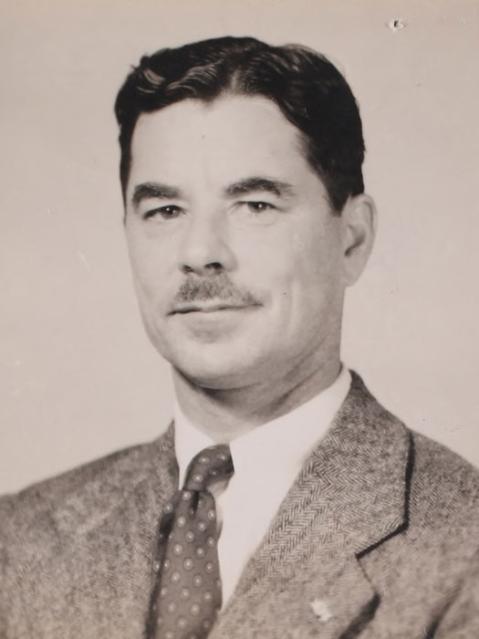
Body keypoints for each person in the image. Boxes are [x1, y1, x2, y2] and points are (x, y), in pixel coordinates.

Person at [1, 35, 478, 639]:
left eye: (254, 205)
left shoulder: (463, 547)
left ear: (352, 240)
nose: (201, 252)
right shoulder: (19, 542)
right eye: (165, 211)